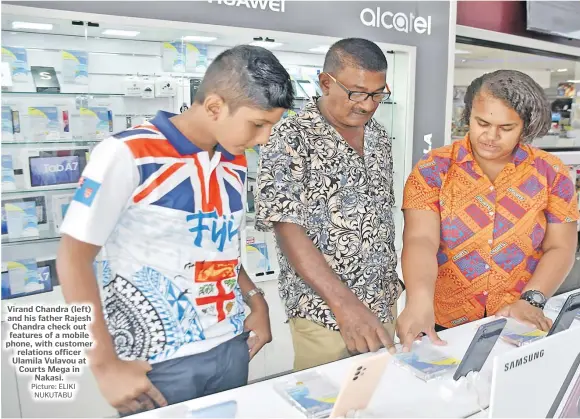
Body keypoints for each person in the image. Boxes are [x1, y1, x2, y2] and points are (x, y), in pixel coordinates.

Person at [56, 45, 295, 415]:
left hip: (230, 346)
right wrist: (104, 365)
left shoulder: (234, 158)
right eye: (258, 124)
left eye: (271, 127)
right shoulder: (125, 153)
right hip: (159, 362)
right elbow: (73, 258)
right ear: (215, 106)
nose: (264, 138)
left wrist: (255, 300)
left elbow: (221, 247)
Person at [397, 70, 580, 350]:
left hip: (519, 317)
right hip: (444, 319)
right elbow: (421, 240)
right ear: (468, 115)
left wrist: (531, 300)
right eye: (482, 123)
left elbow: (561, 246)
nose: (491, 136)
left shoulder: (552, 173)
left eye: (506, 128)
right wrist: (418, 300)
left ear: (525, 126)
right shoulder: (434, 169)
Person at [254, 38, 402, 371]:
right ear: (325, 82)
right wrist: (345, 305)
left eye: (378, 94)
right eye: (357, 93)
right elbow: (287, 228)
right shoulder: (290, 135)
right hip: (325, 313)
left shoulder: (377, 135)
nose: (367, 105)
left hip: (382, 305)